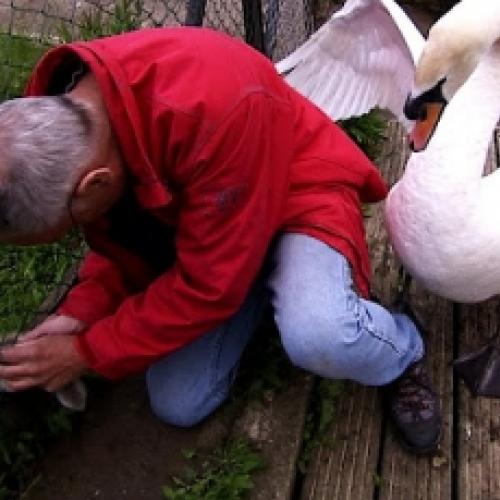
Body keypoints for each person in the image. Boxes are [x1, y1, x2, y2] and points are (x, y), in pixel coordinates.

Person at [0, 27, 441, 454]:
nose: (79, 229)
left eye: (70, 223)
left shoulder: (213, 106)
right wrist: (81, 312)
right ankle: (267, 287)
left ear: (93, 184)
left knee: (320, 333)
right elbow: (124, 241)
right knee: (178, 400)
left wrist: (86, 352)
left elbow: (207, 283)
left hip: (295, 196)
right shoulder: (58, 131)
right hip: (218, 232)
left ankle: (402, 351)